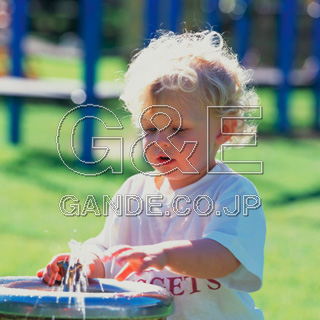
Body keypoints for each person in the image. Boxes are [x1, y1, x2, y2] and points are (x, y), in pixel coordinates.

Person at [37, 30, 266, 320]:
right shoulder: (134, 191)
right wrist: (84, 263)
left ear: (224, 130)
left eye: (178, 129)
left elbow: (223, 256)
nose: (160, 141)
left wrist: (165, 255)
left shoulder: (233, 193)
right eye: (150, 129)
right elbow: (108, 252)